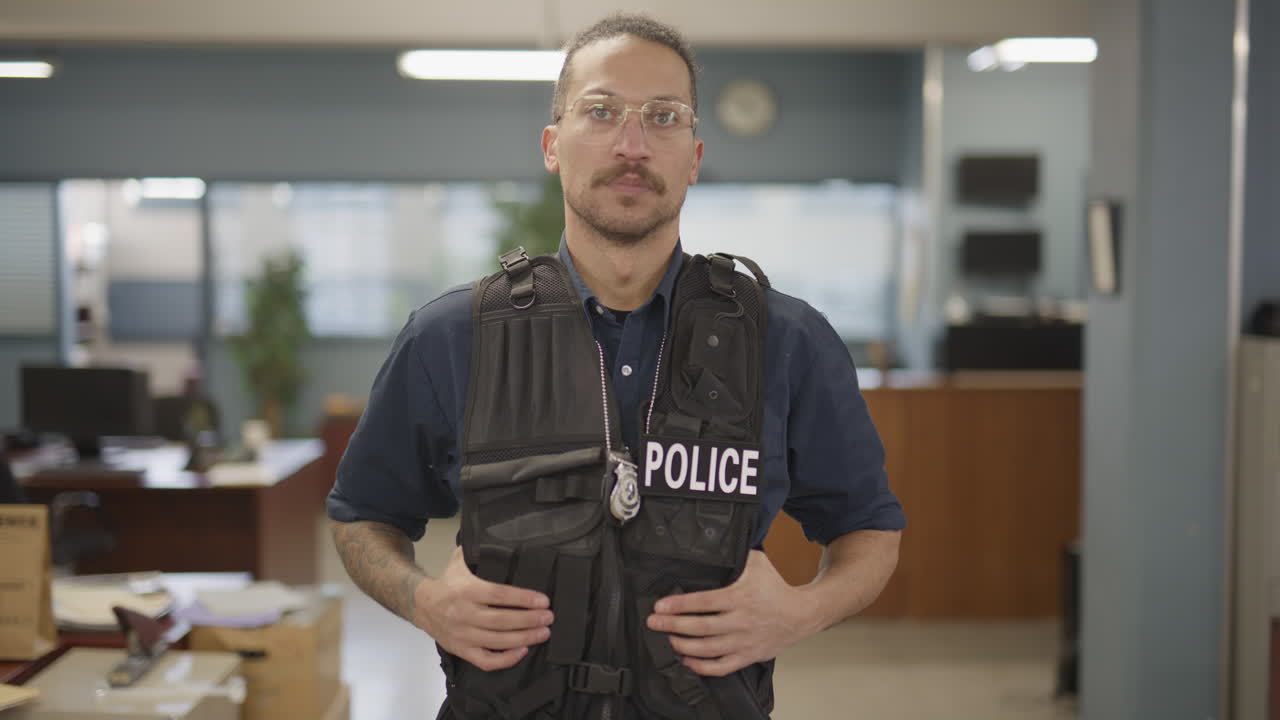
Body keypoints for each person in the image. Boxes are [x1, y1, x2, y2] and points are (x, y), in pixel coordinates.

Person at [327, 12, 905, 720]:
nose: (631, 144)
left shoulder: (786, 340)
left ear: (693, 157)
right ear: (552, 145)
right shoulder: (451, 337)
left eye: (663, 117)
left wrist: (800, 612)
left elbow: (870, 530)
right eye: (601, 112)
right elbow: (361, 517)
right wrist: (424, 600)